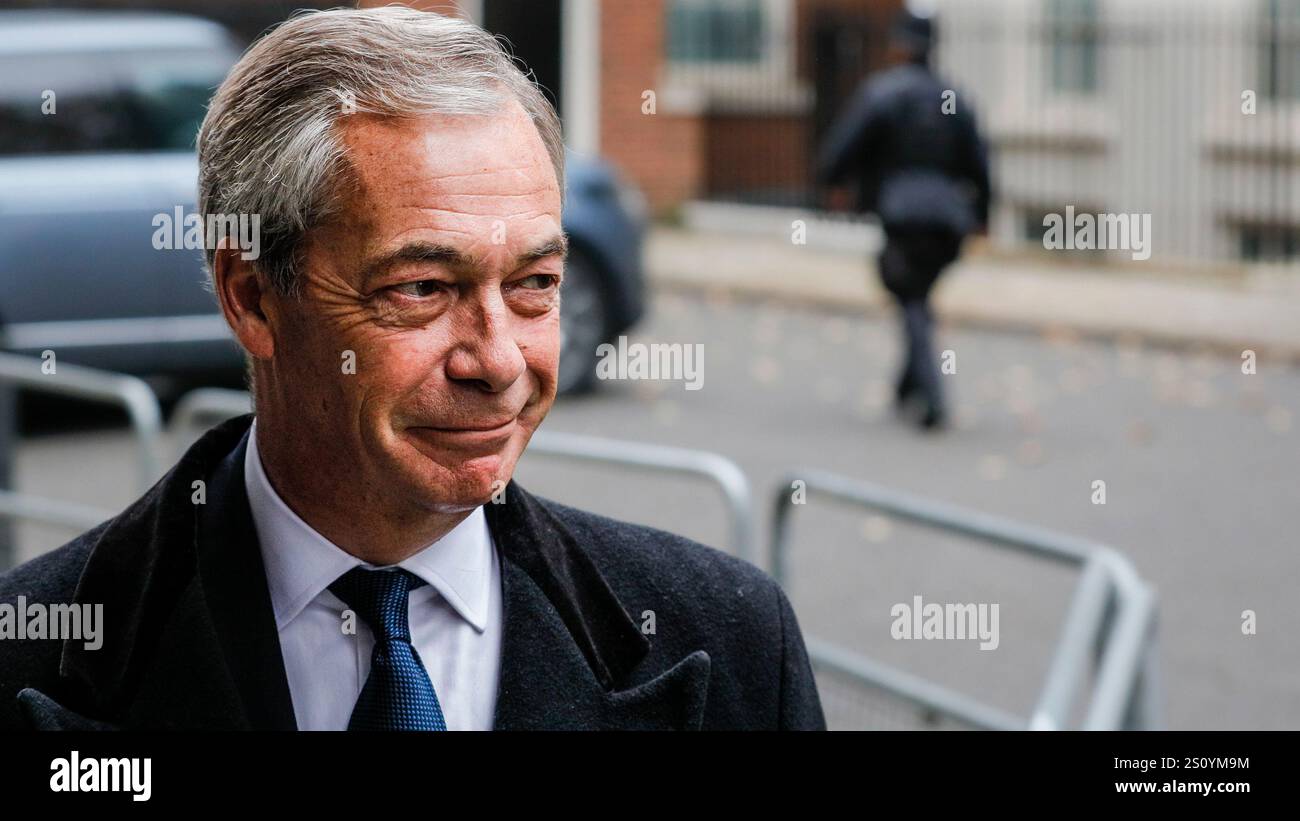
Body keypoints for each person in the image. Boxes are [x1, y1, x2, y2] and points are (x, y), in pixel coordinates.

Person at [0, 7, 825, 731]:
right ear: (252, 297)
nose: (500, 361)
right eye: (423, 289)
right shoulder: (32, 652)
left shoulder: (734, 641)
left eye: (534, 284)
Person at [816, 9, 992, 430]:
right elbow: (981, 165)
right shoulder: (953, 97)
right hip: (948, 221)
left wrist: (834, 182)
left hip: (903, 217)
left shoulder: (883, 93)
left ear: (899, 45)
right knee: (915, 296)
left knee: (909, 296)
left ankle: (932, 397)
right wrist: (983, 214)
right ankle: (906, 386)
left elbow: (841, 149)